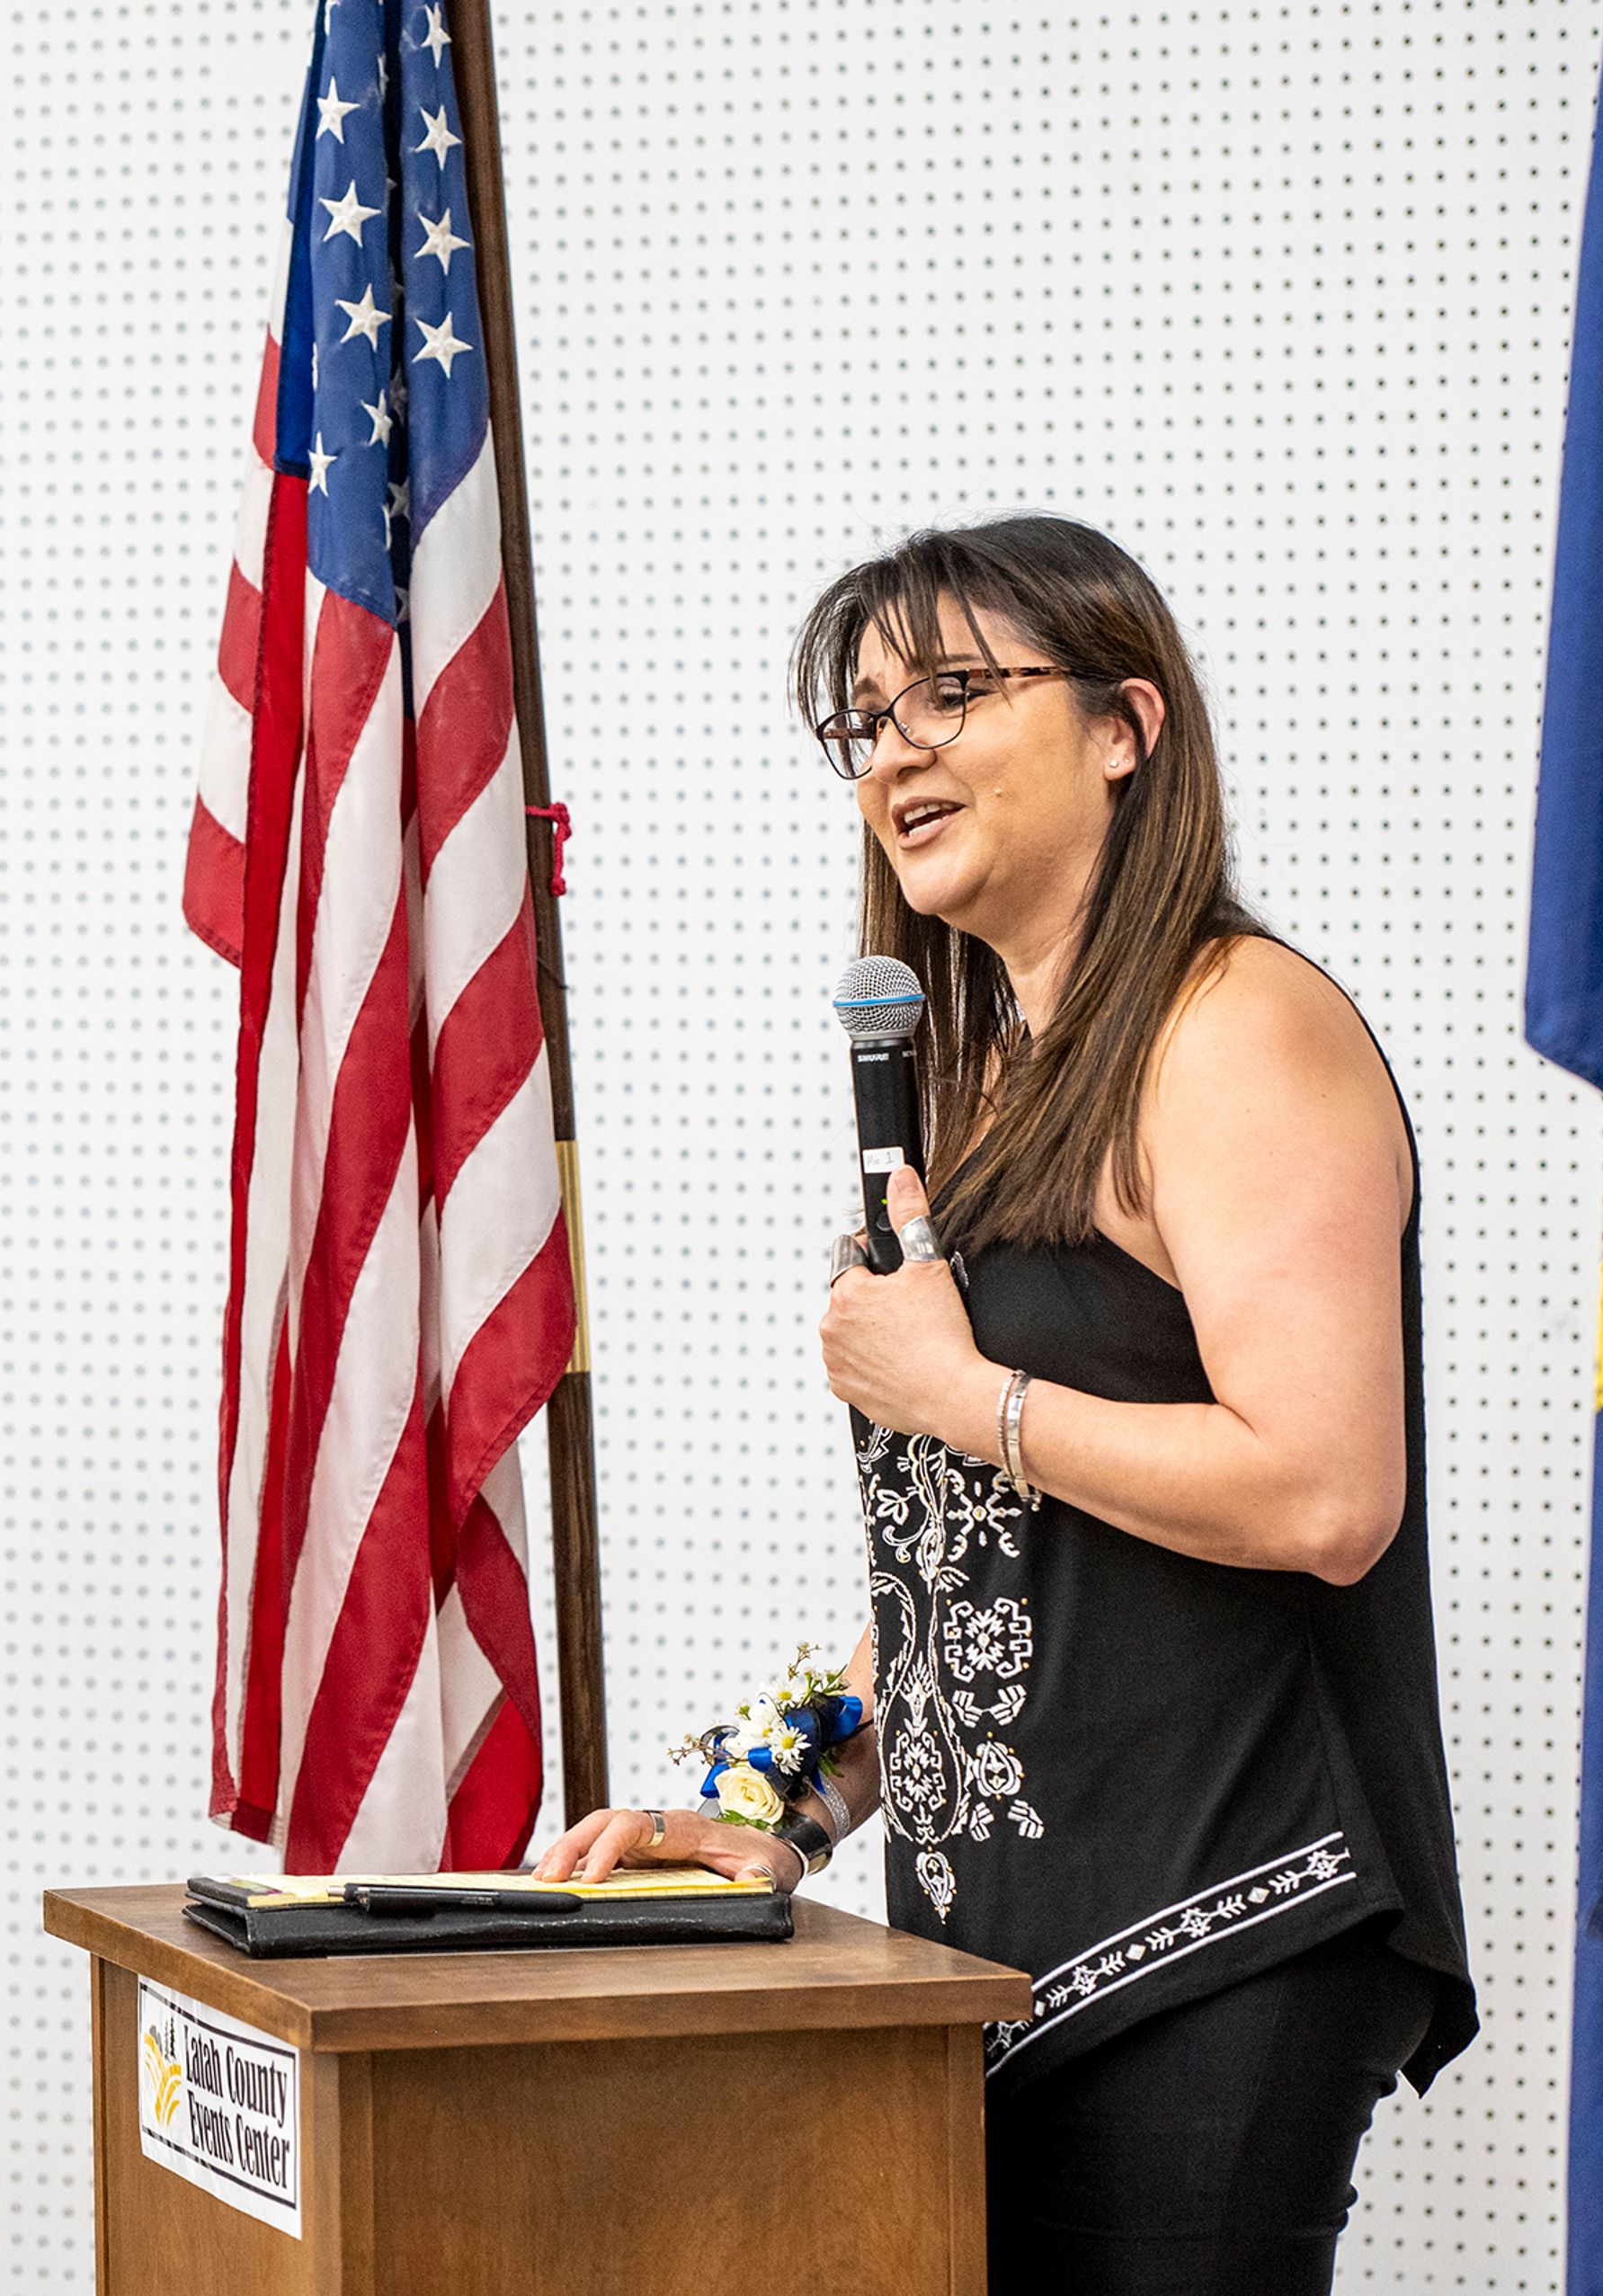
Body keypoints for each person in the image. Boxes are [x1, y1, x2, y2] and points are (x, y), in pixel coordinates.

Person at [538, 516, 1474, 2293]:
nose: (897, 749)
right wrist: (786, 1806)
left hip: (1224, 1932)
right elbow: (985, 1581)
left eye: (956, 692)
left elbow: (1326, 1489)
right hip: (998, 1966)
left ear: (1126, 724)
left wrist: (967, 1388)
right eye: (870, 717)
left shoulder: (1233, 1029)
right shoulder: (980, 1088)